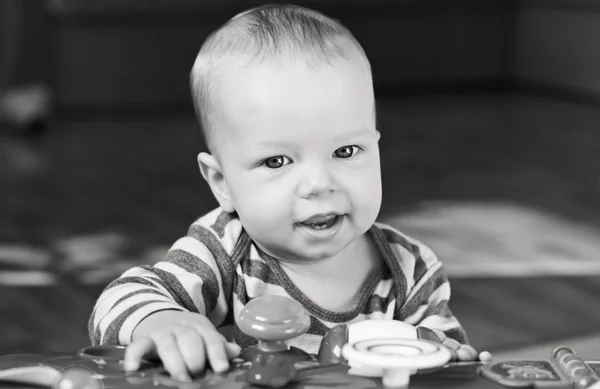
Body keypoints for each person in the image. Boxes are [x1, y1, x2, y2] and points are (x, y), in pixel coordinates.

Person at [89, 4, 481, 381]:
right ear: (222, 183)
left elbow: (446, 359)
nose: (319, 184)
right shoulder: (222, 253)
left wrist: (452, 360)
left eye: (345, 151)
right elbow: (119, 299)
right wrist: (163, 322)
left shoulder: (410, 268)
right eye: (277, 161)